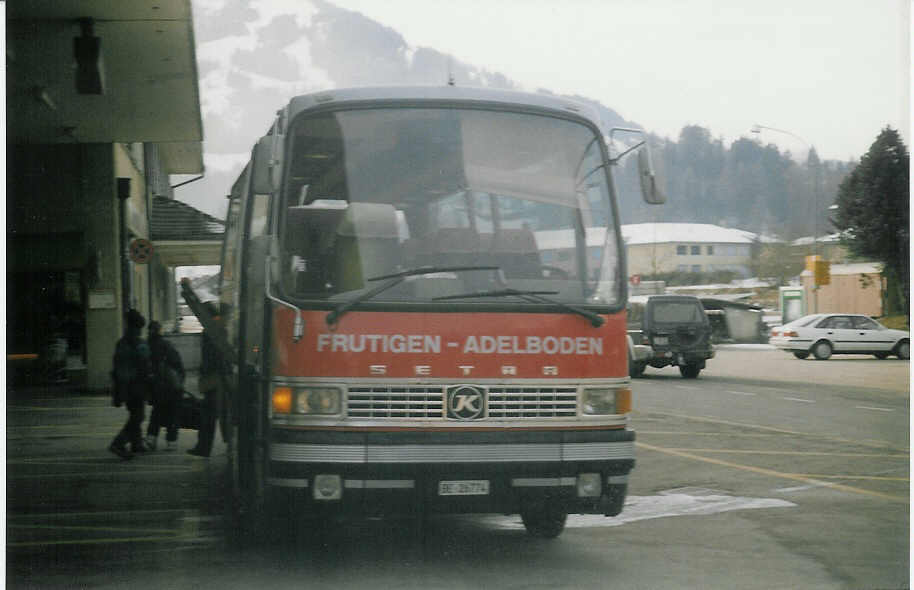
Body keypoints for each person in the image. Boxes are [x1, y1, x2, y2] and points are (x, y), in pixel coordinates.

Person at [109, 309, 152, 460]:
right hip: (134, 385)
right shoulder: (135, 343)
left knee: (136, 413)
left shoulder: (123, 342)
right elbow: (142, 363)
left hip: (128, 385)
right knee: (138, 416)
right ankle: (119, 443)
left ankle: (136, 443)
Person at [188, 302, 226, 457]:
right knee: (212, 414)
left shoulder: (211, 331)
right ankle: (204, 447)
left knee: (208, 415)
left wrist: (204, 373)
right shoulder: (219, 329)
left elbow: (211, 357)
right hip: (218, 377)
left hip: (213, 378)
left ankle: (203, 447)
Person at [145, 321, 185, 451]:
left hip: (154, 385)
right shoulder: (166, 345)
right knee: (173, 412)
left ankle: (151, 438)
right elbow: (177, 362)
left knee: (157, 412)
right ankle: (171, 440)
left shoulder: (146, 346)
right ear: (160, 331)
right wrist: (180, 379)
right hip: (170, 385)